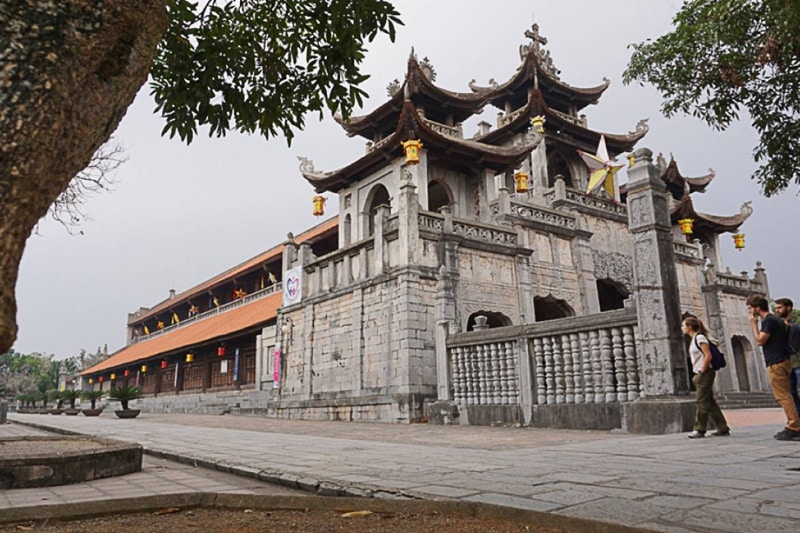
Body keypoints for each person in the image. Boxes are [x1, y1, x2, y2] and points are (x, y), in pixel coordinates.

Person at [747, 294, 800, 441]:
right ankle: (794, 425)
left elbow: (759, 340)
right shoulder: (776, 320)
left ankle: (794, 426)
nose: (750, 312)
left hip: (777, 362)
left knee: (783, 396)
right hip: (782, 360)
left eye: (751, 308)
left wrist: (753, 324)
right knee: (787, 394)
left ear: (757, 308)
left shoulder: (769, 320)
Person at [682, 316, 730, 438]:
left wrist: (703, 370)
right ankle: (722, 427)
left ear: (689, 327)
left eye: (684, 326)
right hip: (699, 372)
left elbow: (708, 355)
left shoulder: (700, 337)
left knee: (701, 401)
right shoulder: (694, 339)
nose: (682, 328)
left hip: (705, 372)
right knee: (709, 401)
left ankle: (699, 429)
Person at [774, 298, 800, 417]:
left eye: (780, 308)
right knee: (792, 393)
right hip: (788, 364)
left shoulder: (795, 325)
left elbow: (793, 347)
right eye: (776, 308)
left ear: (788, 307)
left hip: (797, 363)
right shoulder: (778, 325)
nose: (777, 310)